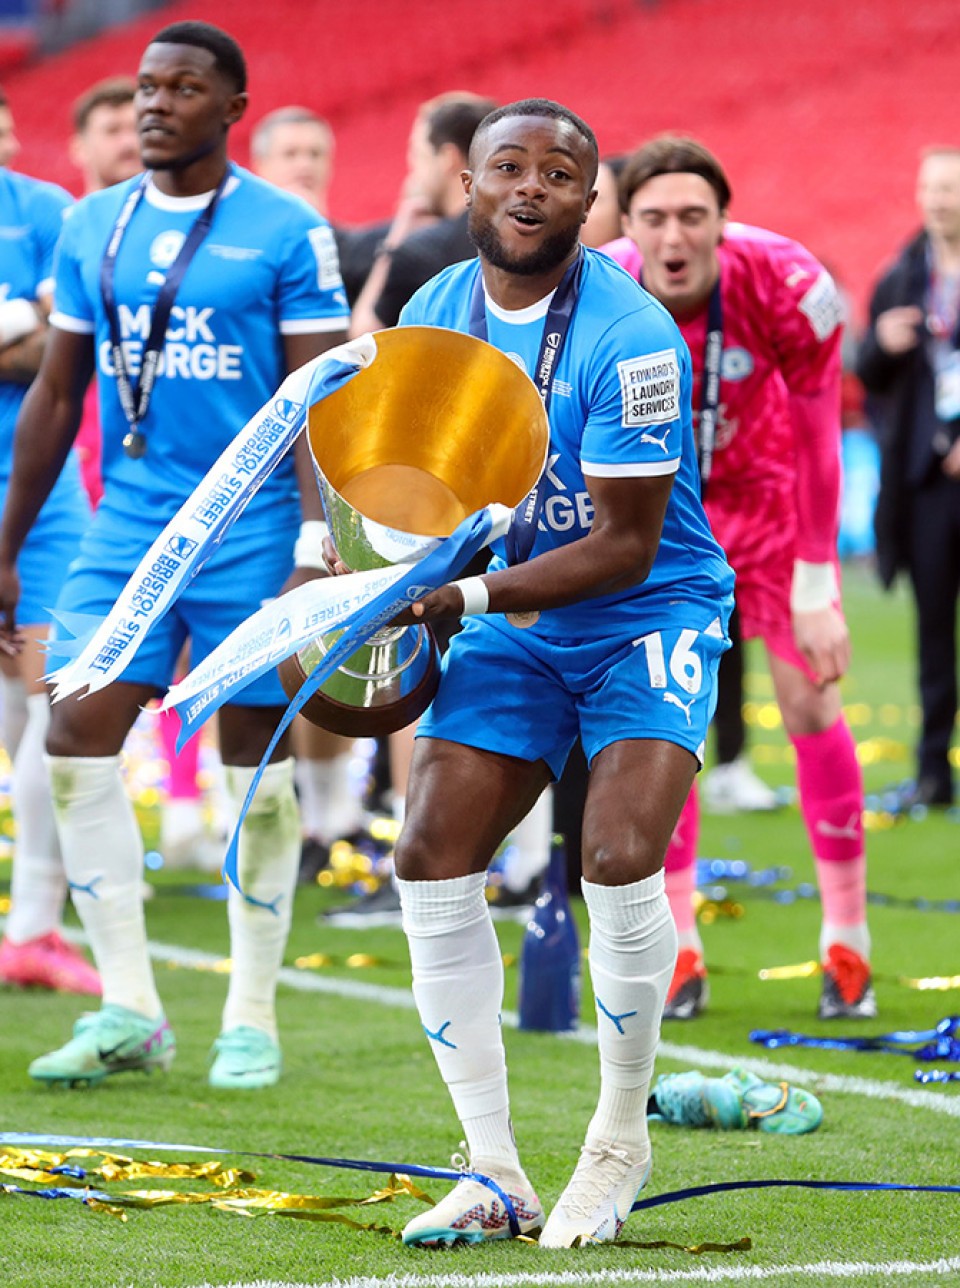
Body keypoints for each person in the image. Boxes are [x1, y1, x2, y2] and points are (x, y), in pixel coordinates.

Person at [337, 98, 735, 1247]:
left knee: (615, 856)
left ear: (589, 201)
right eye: (505, 166)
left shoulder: (637, 335)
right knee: (429, 850)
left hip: (646, 609)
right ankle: (495, 1169)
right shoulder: (430, 311)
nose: (528, 187)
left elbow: (625, 544)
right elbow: (411, 485)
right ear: (467, 186)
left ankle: (616, 1145)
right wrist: (356, 565)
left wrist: (460, 597)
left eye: (558, 174)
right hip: (512, 610)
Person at [0, 21, 349, 1088]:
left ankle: (251, 1013)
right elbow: (59, 391)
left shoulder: (287, 230)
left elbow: (322, 401)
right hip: (134, 518)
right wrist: (7, 546)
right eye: (148, 87)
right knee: (75, 729)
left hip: (248, 524)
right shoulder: (93, 222)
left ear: (231, 108)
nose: (156, 104)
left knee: (254, 750)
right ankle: (131, 1007)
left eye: (183, 87)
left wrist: (314, 541)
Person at [606, 135, 873, 1021]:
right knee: (660, 719)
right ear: (628, 224)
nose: (674, 236)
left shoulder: (788, 283)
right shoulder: (595, 287)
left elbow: (819, 433)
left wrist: (814, 577)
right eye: (655, 218)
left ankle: (848, 942)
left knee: (810, 704)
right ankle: (680, 949)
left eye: (693, 216)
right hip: (662, 522)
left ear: (724, 222)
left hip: (768, 506)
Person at [0, 86, 98, 996]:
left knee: (54, 690)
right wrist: (18, 323)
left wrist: (29, 332)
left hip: (41, 488)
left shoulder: (46, 212)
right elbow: (28, 337)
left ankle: (32, 925)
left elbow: (60, 356)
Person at [856, 146, 960, 810]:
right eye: (930, 187)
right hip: (925, 484)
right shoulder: (902, 273)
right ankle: (932, 772)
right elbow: (866, 375)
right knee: (931, 632)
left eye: (949, 187)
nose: (938, 199)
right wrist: (880, 345)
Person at [349, 91, 497, 336]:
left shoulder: (418, 253)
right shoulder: (522, 231)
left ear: (448, 158)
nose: (414, 172)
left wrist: (394, 243)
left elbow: (364, 337)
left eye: (419, 155)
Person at [250, 105, 335, 215]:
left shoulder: (353, 232)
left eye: (315, 154)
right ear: (260, 165)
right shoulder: (231, 229)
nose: (305, 164)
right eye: (290, 154)